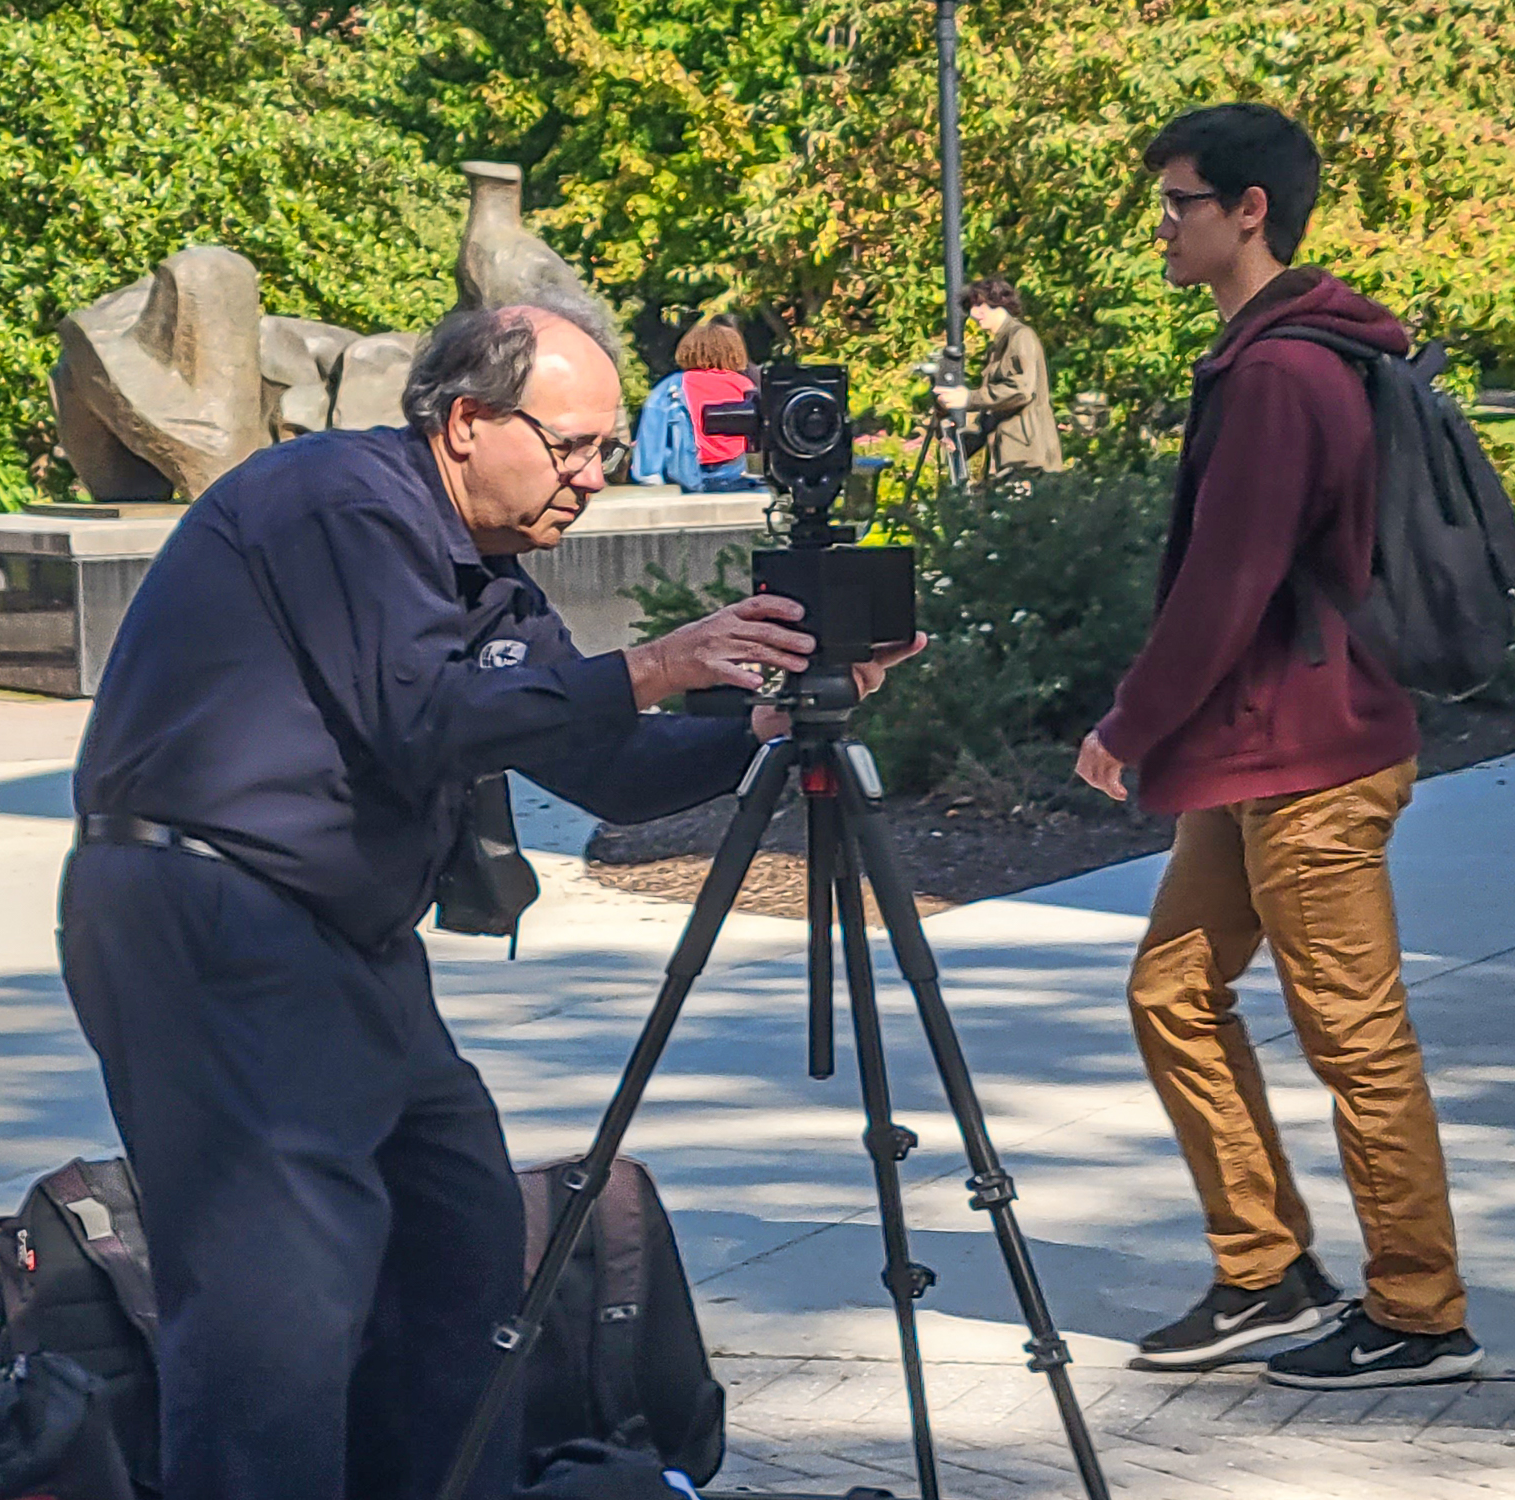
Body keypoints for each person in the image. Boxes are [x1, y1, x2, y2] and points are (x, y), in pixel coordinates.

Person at [58, 292, 922, 1500]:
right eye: (568, 446)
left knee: (458, 1239)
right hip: (207, 916)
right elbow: (422, 720)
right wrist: (658, 662)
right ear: (464, 422)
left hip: (337, 940)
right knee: (274, 1302)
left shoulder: (487, 572)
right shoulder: (338, 499)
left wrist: (767, 722)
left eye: (605, 451)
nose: (591, 476)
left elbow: (604, 771)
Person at [1075, 103, 1482, 1389]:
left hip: (1308, 758)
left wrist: (1126, 723)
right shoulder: (1280, 355)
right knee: (1171, 992)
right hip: (1256, 748)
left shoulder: (1280, 374)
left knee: (1354, 1038)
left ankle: (1419, 1312)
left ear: (1248, 210)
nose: (1162, 225)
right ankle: (1261, 1269)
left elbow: (1227, 579)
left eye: (1179, 202)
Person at [940, 278, 1064, 477]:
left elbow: (1022, 390)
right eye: (971, 307)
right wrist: (963, 445)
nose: (974, 313)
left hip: (1027, 460)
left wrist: (969, 398)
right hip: (1008, 457)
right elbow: (995, 412)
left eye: (981, 305)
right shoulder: (998, 347)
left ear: (1000, 303)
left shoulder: (1021, 337)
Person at [630, 320, 761, 493]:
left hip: (684, 470)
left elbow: (652, 431)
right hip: (734, 469)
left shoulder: (673, 385)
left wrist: (648, 474)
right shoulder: (744, 385)